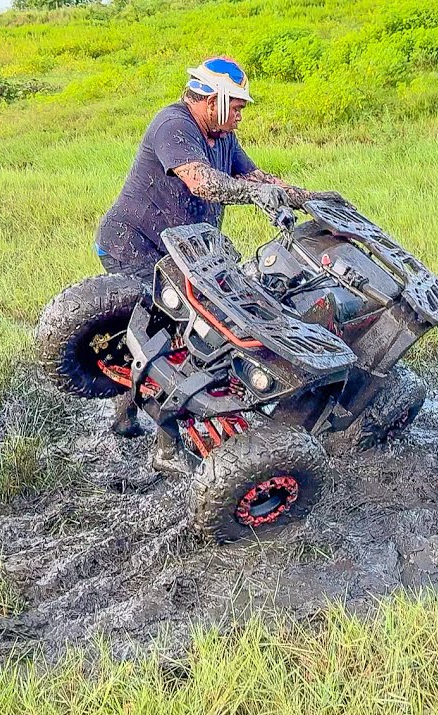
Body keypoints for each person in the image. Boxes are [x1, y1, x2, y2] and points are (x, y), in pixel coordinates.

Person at [96, 56, 346, 441]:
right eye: (239, 107)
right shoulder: (173, 124)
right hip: (135, 245)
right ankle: (167, 436)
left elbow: (256, 177)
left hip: (184, 251)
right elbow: (202, 182)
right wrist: (255, 193)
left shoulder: (223, 137)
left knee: (181, 332)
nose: (241, 116)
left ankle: (129, 416)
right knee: (175, 336)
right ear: (215, 100)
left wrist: (308, 199)